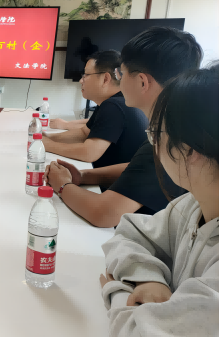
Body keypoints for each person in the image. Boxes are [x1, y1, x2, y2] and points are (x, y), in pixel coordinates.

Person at [98, 64, 219, 337]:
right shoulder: (193, 204)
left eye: (156, 135)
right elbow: (130, 232)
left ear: (189, 150)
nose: (154, 145)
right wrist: (148, 279)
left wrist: (117, 290)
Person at [45, 27, 203, 227]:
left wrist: (62, 184)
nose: (118, 79)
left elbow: (103, 214)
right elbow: (139, 168)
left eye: (121, 73)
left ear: (142, 82)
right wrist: (83, 175)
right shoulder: (175, 126)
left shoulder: (170, 140)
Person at [42, 50, 148, 169]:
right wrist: (48, 137)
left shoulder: (114, 106)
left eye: (86, 75)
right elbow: (84, 133)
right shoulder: (114, 101)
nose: (81, 80)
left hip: (115, 180)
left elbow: (88, 153)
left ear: (105, 79)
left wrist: (48, 145)